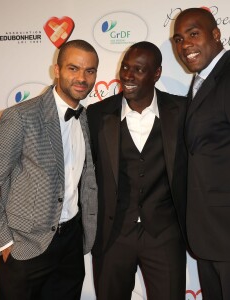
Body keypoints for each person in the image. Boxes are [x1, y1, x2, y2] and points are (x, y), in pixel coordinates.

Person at [0, 39, 98, 300]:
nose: (82, 78)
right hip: (25, 248)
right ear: (57, 70)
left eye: (90, 71)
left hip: (71, 245)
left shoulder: (87, 118)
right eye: (73, 68)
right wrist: (5, 244)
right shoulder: (21, 117)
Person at [87, 41, 187, 300]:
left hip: (164, 234)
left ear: (156, 74)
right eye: (126, 67)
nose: (128, 76)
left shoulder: (182, 111)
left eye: (139, 70)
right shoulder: (97, 114)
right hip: (113, 235)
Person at [173, 8, 230, 299]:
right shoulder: (201, 81)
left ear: (216, 35)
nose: (184, 46)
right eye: (179, 39)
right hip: (208, 234)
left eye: (193, 34)